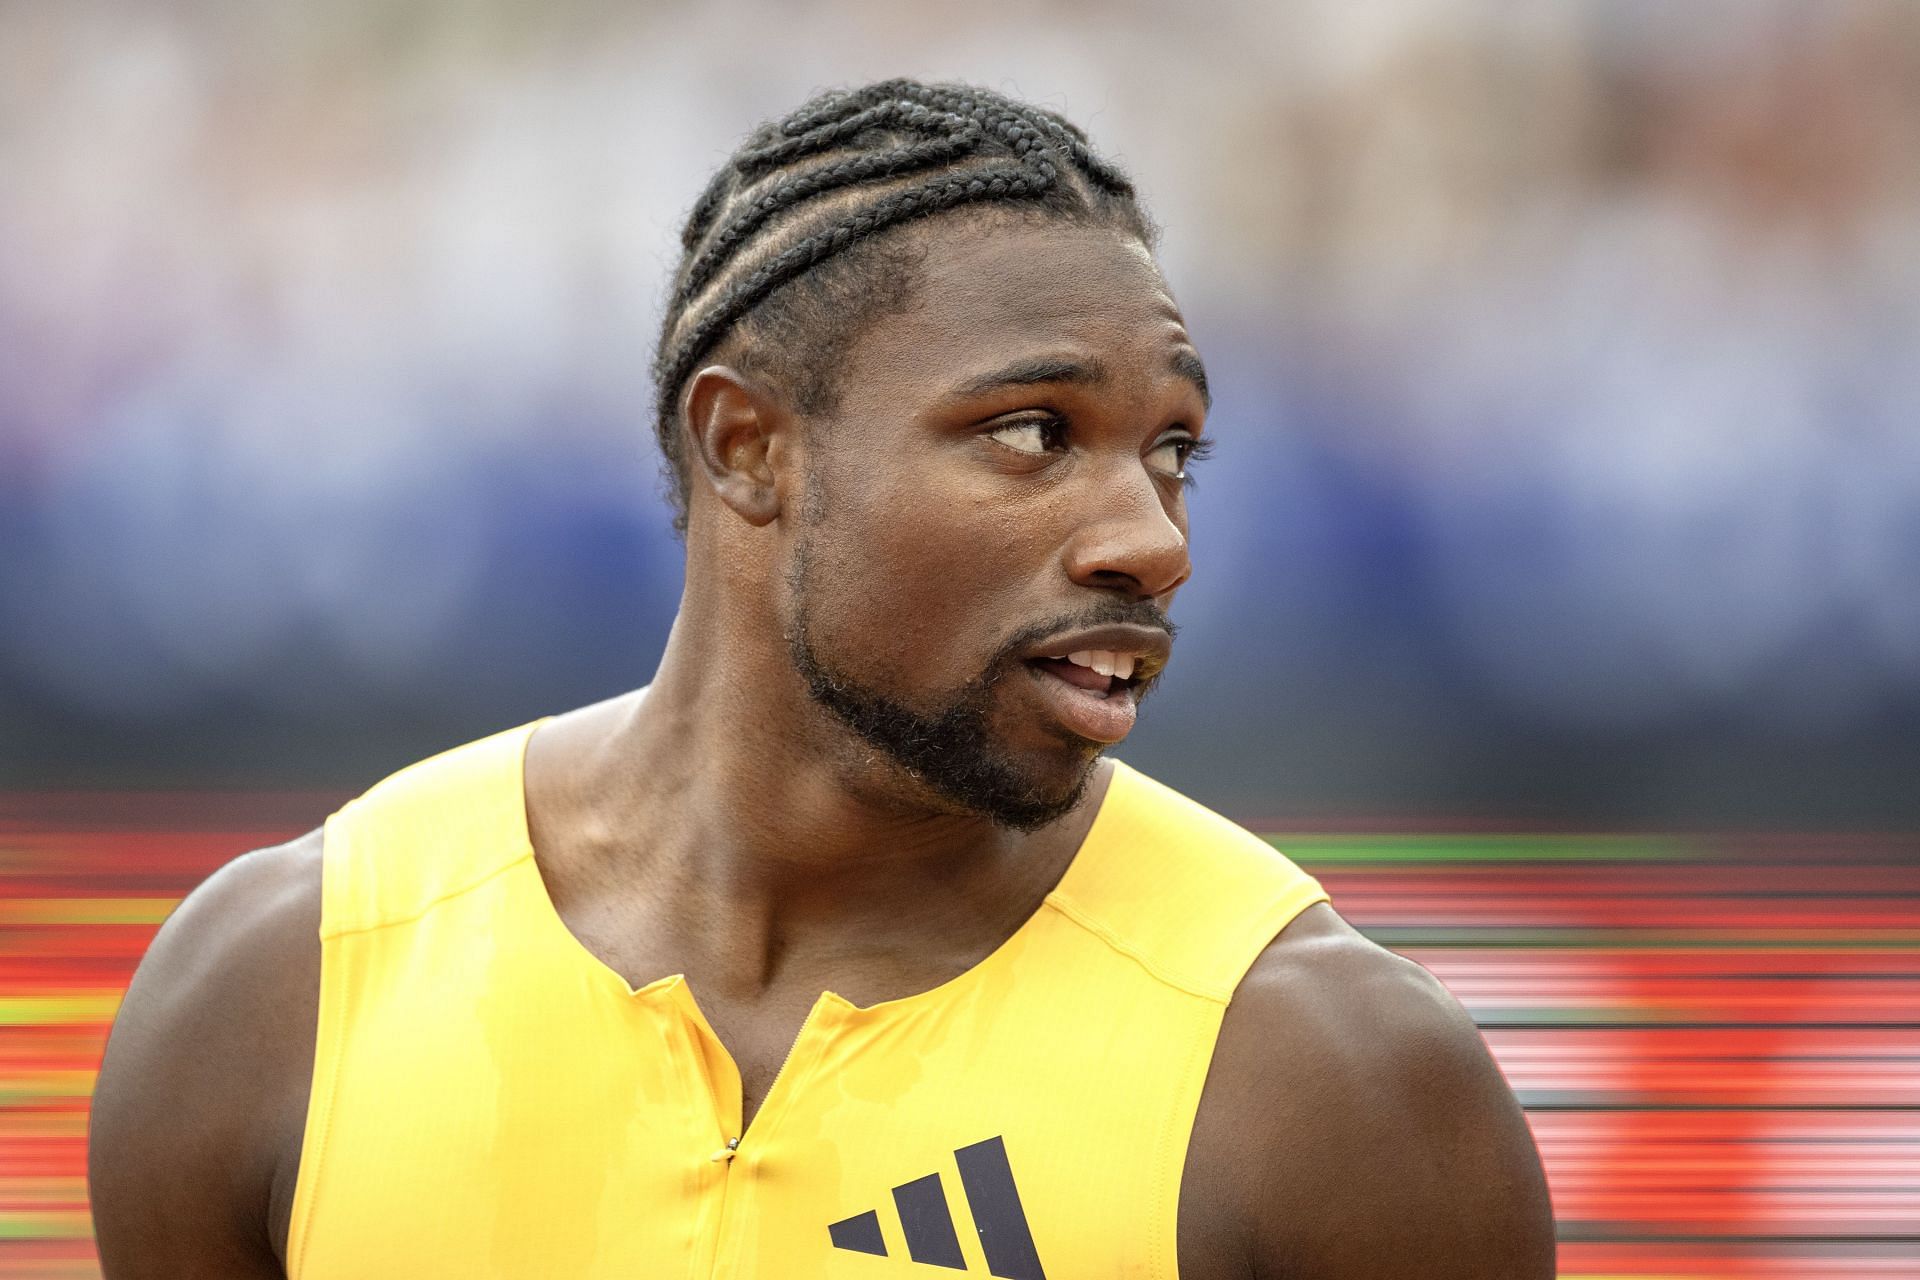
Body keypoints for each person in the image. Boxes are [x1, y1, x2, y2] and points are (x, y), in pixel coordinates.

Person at [88, 79, 1555, 1278]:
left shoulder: (1329, 1078)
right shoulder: (281, 989)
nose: (1151, 540)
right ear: (748, 447)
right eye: (1035, 432)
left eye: (1173, 449)